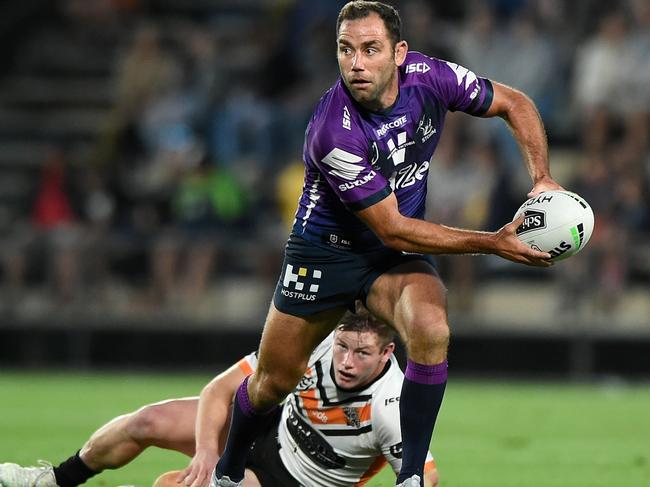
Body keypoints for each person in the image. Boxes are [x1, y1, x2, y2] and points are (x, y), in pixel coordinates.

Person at [212, 2, 563, 487]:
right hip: (326, 254)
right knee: (274, 382)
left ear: (398, 53)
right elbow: (392, 227)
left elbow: (515, 103)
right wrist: (495, 242)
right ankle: (227, 472)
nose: (356, 63)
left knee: (431, 329)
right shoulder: (333, 131)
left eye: (370, 49)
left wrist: (543, 179)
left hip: (390, 259)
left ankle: (411, 477)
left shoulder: (431, 77)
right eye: (345, 50)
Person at [0, 312, 439, 487]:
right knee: (147, 422)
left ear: (387, 353)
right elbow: (218, 389)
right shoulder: (316, 341)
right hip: (266, 426)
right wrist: (208, 451)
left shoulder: (393, 405)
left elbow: (425, 474)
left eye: (362, 353)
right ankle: (53, 481)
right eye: (344, 346)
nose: (345, 360)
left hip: (292, 481)